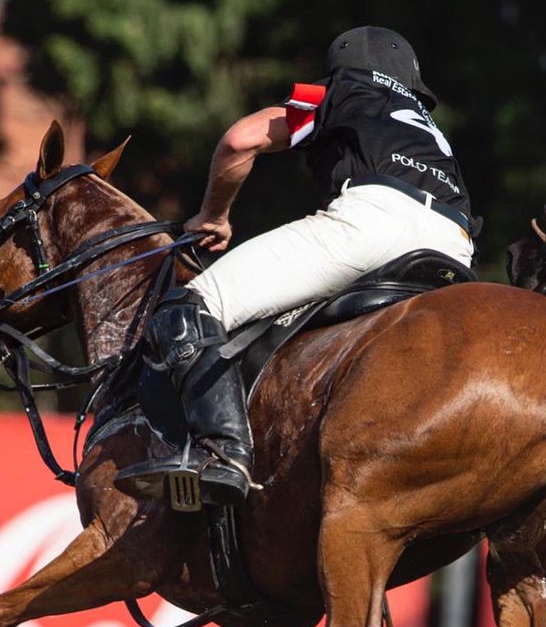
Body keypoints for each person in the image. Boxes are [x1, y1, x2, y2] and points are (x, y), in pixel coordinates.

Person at [115, 26, 476, 509]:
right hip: (456, 245)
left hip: (378, 219)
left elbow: (241, 141)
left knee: (191, 306)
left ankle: (223, 454)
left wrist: (213, 216)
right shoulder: (430, 129)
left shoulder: (340, 89)